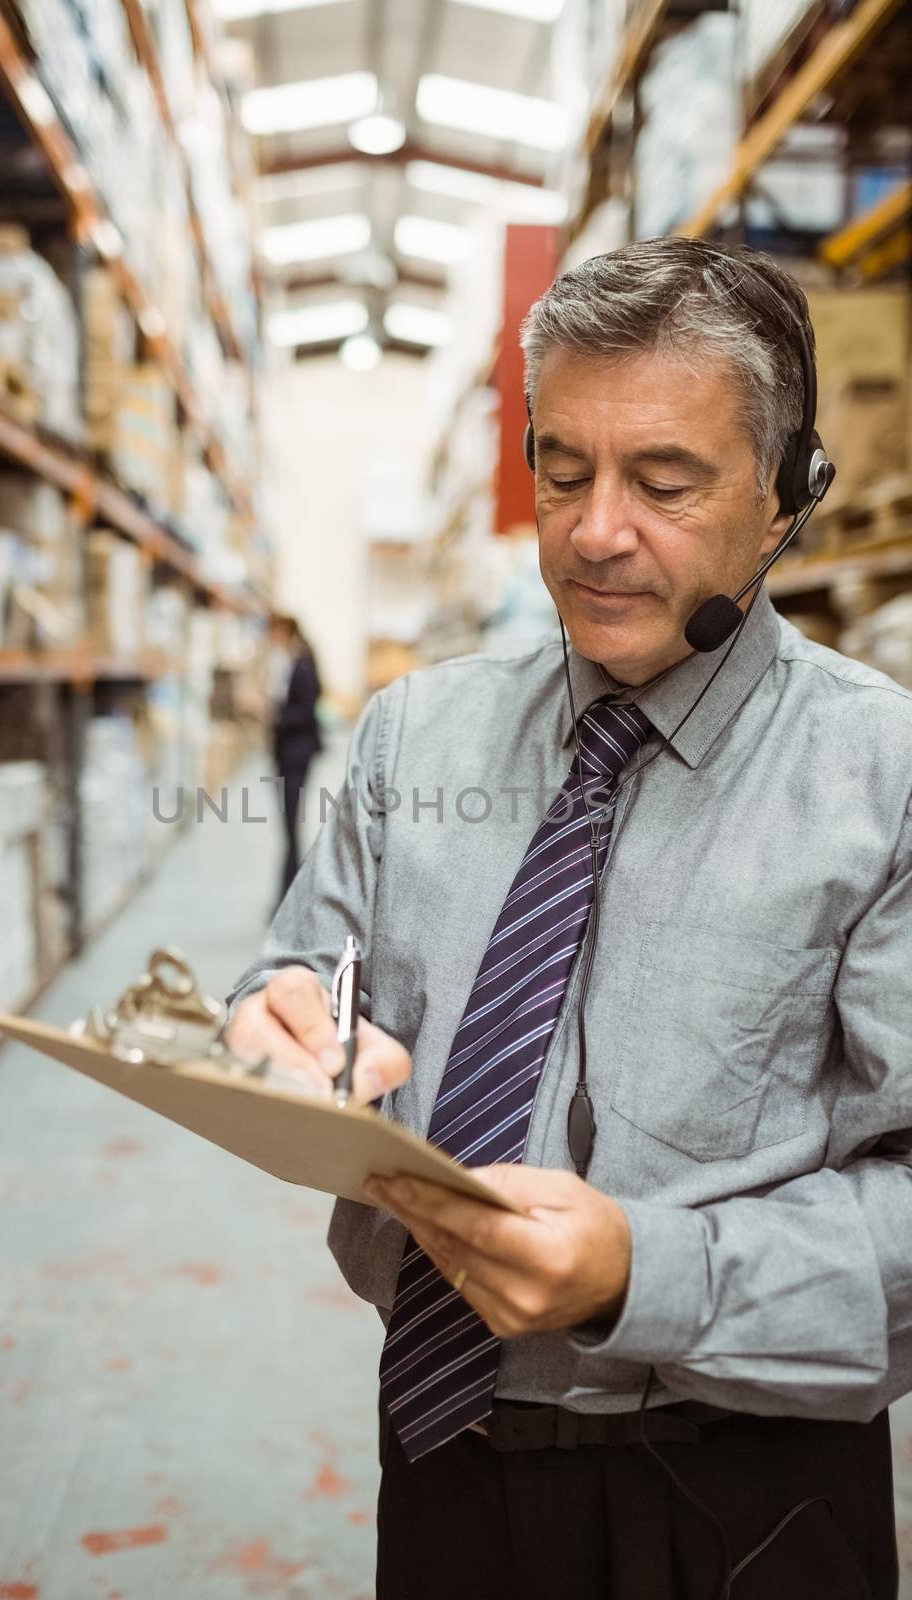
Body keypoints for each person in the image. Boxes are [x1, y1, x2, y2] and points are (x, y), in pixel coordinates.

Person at [225, 238, 909, 1599]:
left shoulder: (880, 780)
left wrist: (639, 1274)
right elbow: (307, 965)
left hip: (740, 1489)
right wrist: (274, 1029)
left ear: (783, 503)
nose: (595, 531)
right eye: (561, 470)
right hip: (438, 1455)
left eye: (663, 482)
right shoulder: (415, 730)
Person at [267, 612, 323, 901]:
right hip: (288, 751)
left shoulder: (302, 664)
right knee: (288, 823)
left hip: (296, 752)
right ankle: (290, 885)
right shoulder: (292, 661)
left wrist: (275, 716)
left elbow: (307, 709)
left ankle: (293, 887)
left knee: (290, 822)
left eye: (274, 631)